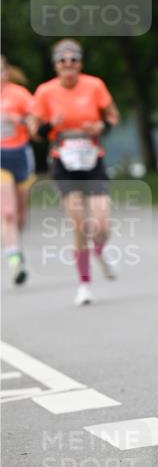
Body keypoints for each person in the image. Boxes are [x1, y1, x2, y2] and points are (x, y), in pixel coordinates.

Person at [31, 40, 120, 306]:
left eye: (73, 60)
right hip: (63, 162)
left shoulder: (94, 85)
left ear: (80, 63)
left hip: (92, 160)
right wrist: (49, 126)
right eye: (62, 60)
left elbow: (113, 116)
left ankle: (100, 250)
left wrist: (101, 126)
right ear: (55, 65)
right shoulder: (45, 92)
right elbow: (35, 131)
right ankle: (84, 284)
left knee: (102, 223)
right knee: (80, 224)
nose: (68, 65)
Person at [0, 56, 36, 284]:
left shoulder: (19, 94)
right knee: (8, 213)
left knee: (21, 215)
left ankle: (16, 245)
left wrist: (19, 120)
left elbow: (35, 120)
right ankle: (14, 261)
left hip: (21, 154)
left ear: (5, 72)